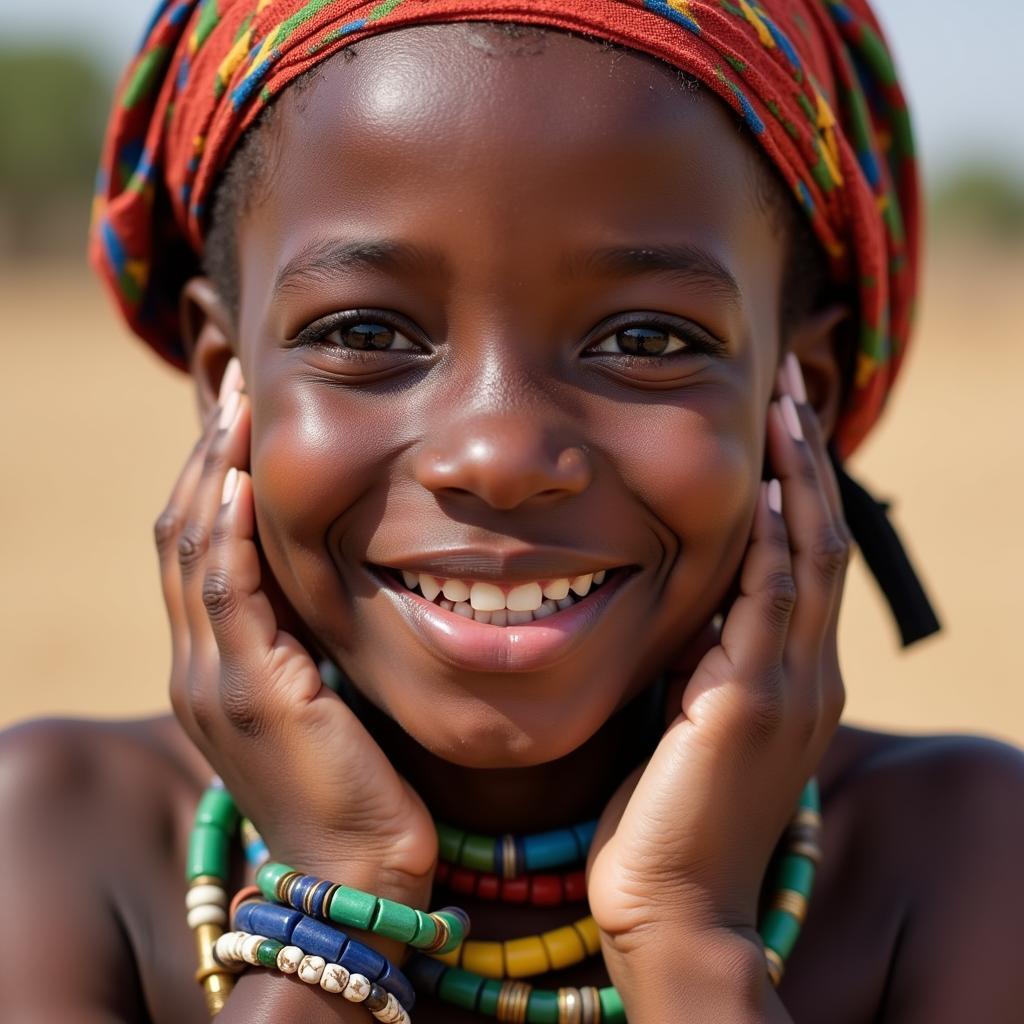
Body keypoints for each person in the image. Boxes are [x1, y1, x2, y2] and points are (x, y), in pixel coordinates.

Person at [2, 1, 1022, 1021]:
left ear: (800, 401)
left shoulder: (961, 860)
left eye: (646, 340)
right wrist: (338, 892)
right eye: (365, 329)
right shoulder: (55, 836)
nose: (497, 457)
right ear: (228, 383)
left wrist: (683, 933)